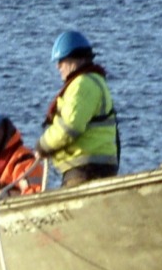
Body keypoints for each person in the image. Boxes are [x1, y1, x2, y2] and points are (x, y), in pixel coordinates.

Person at [39, 30, 120, 185]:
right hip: (96, 167)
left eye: (61, 61)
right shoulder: (95, 81)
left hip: (86, 169)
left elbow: (70, 127)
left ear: (75, 60)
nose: (58, 66)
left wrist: (43, 145)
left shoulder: (82, 85)